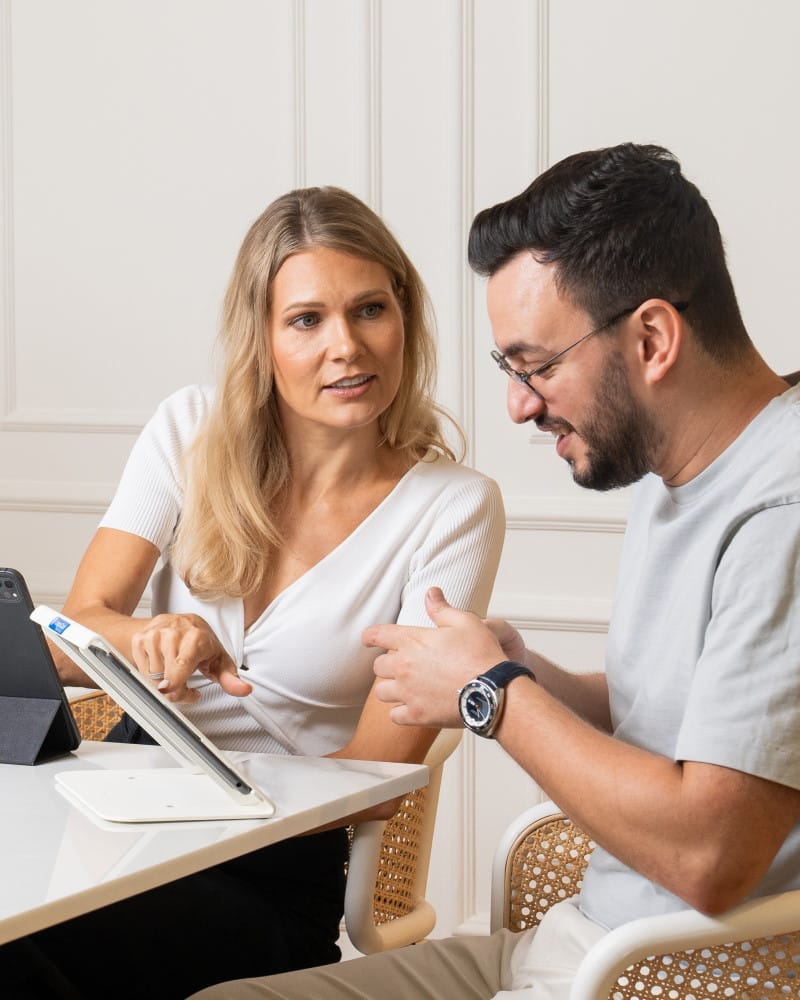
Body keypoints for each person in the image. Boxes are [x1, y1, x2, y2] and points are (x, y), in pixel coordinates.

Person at [186, 143, 800, 1000]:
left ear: (653, 337)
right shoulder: (685, 470)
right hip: (573, 945)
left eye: (538, 366)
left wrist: (496, 695)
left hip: (657, 977)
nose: (519, 403)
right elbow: (675, 719)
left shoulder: (781, 512)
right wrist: (521, 666)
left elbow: (711, 856)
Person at [4, 186, 504, 1000]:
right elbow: (65, 637)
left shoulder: (454, 507)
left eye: (369, 309)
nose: (346, 346)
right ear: (263, 336)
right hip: (112, 820)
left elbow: (372, 774)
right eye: (306, 319)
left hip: (267, 876)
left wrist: (210, 798)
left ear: (404, 317)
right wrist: (150, 639)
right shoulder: (187, 433)